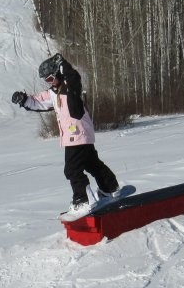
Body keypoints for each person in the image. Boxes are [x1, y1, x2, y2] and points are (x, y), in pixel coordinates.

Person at [12, 53, 120, 217]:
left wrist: (65, 65)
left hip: (76, 135)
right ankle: (110, 189)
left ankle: (84, 200)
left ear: (57, 73)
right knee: (91, 163)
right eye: (45, 80)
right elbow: (38, 101)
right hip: (79, 136)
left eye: (49, 78)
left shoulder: (70, 87)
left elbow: (74, 77)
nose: (48, 82)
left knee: (71, 170)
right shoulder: (53, 93)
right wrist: (24, 100)